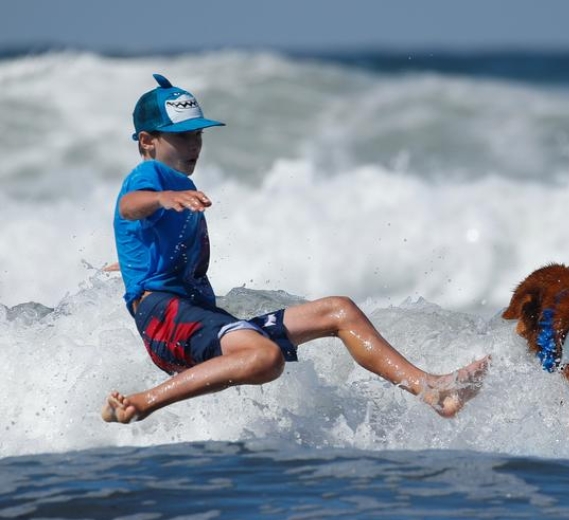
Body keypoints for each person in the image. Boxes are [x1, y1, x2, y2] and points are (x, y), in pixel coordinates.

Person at [102, 74, 489, 424]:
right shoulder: (151, 178)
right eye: (182, 136)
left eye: (198, 135)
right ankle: (142, 403)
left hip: (195, 318)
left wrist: (128, 259)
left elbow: (144, 236)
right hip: (166, 319)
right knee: (265, 359)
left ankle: (431, 390)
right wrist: (163, 197)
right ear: (148, 141)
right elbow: (129, 205)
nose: (195, 145)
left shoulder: (175, 190)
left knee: (339, 311)